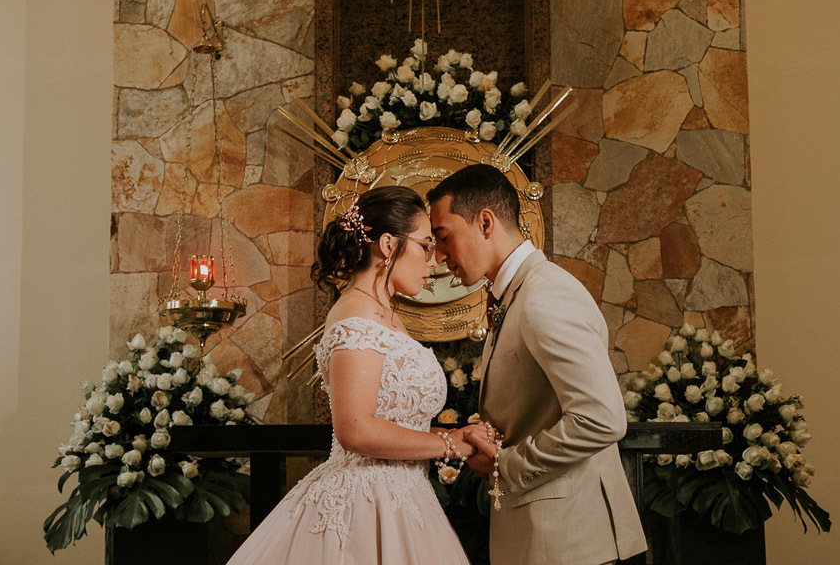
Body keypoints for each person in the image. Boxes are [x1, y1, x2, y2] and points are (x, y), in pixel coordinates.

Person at [227, 186, 473, 564]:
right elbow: (355, 429)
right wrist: (449, 444)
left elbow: (394, 420)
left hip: (405, 498)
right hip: (364, 502)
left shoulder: (384, 314)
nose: (435, 259)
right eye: (425, 245)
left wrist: (456, 438)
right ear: (389, 245)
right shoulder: (355, 317)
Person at [427, 164, 648, 565]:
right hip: (547, 537)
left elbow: (601, 418)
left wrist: (505, 464)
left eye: (444, 238)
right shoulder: (515, 294)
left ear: (486, 223)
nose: (439, 257)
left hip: (573, 542)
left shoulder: (544, 294)